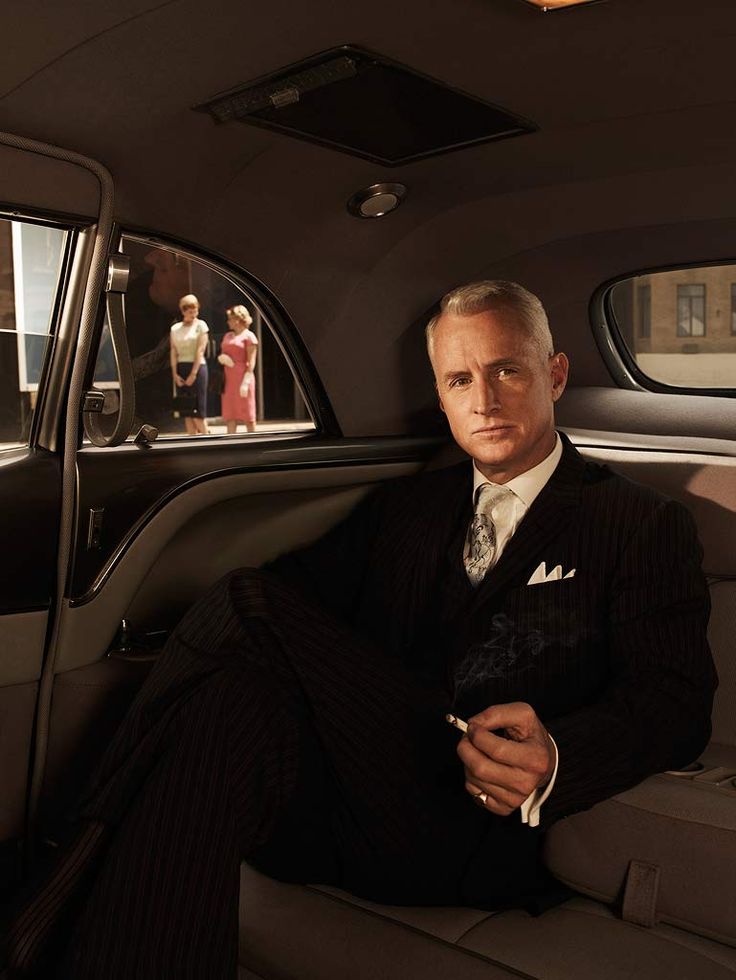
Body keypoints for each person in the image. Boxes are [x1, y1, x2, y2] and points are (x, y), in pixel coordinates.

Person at [4, 281, 716, 979]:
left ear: (553, 375)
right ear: (440, 397)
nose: (484, 399)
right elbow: (299, 605)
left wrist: (557, 758)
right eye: (460, 379)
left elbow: (675, 701)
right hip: (358, 795)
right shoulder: (406, 508)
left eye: (507, 370)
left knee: (246, 601)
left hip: (483, 830)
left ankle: (60, 874)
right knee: (226, 704)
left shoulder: (640, 523)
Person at [170, 293, 209, 435]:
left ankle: (207, 440)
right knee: (186, 410)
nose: (194, 314)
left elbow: (200, 350)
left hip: (197, 368)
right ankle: (191, 441)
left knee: (198, 411)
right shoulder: (175, 328)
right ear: (183, 311)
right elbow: (173, 351)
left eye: (196, 310)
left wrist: (193, 374)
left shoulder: (201, 325)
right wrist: (175, 374)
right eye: (190, 311)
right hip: (181, 367)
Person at [217, 305, 259, 433]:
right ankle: (230, 444)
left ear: (238, 319)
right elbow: (223, 353)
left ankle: (254, 443)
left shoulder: (249, 336)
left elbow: (251, 361)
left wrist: (245, 382)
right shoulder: (228, 336)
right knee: (230, 415)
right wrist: (222, 358)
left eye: (230, 319)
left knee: (248, 415)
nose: (228, 321)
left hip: (243, 377)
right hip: (229, 379)